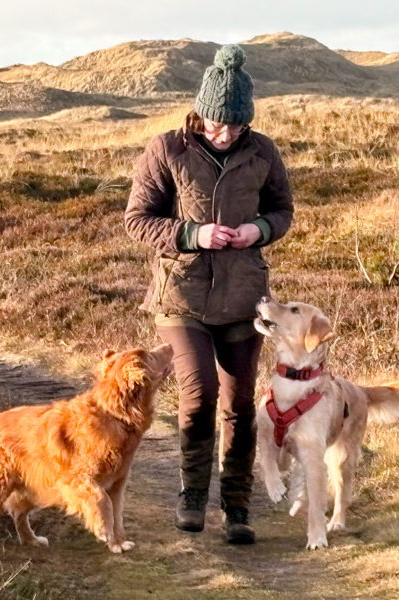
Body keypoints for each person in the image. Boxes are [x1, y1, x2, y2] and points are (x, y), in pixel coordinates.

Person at [124, 44, 293, 544]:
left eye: (236, 126)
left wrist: (259, 230)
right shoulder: (166, 149)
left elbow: (282, 211)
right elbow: (137, 219)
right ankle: (192, 497)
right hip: (182, 295)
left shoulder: (263, 152)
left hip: (244, 296)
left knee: (239, 402)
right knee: (199, 395)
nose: (226, 134)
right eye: (218, 124)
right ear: (200, 112)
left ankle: (237, 508)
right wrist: (192, 235)